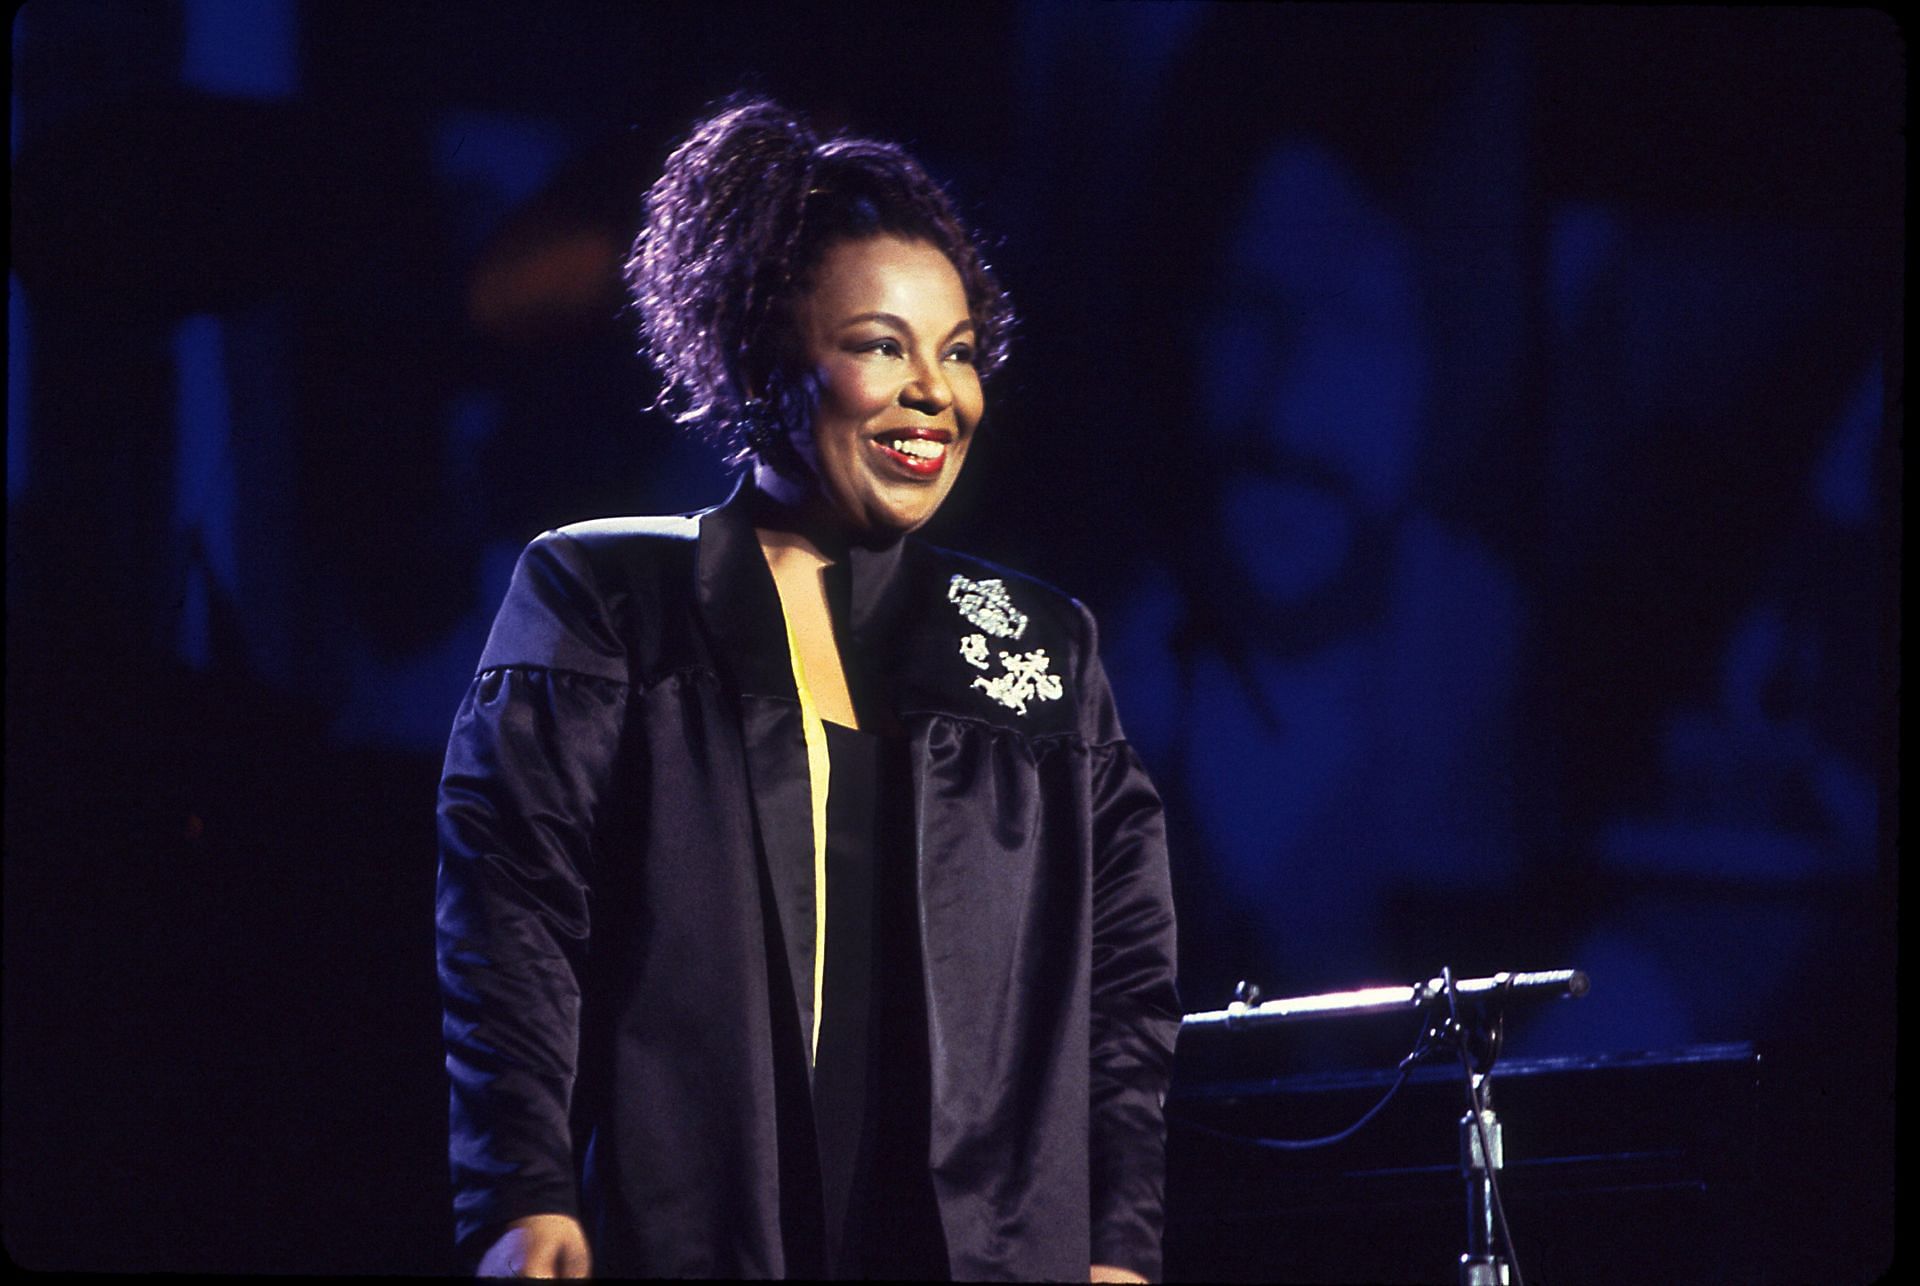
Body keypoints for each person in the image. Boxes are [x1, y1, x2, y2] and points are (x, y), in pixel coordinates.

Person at [436, 96, 1179, 1282]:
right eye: (884, 344)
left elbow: (1126, 981)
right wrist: (522, 1187)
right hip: (700, 1234)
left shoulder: (1041, 647)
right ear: (761, 353)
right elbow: (513, 910)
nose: (936, 392)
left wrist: (1118, 1243)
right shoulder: (608, 595)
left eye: (960, 351)